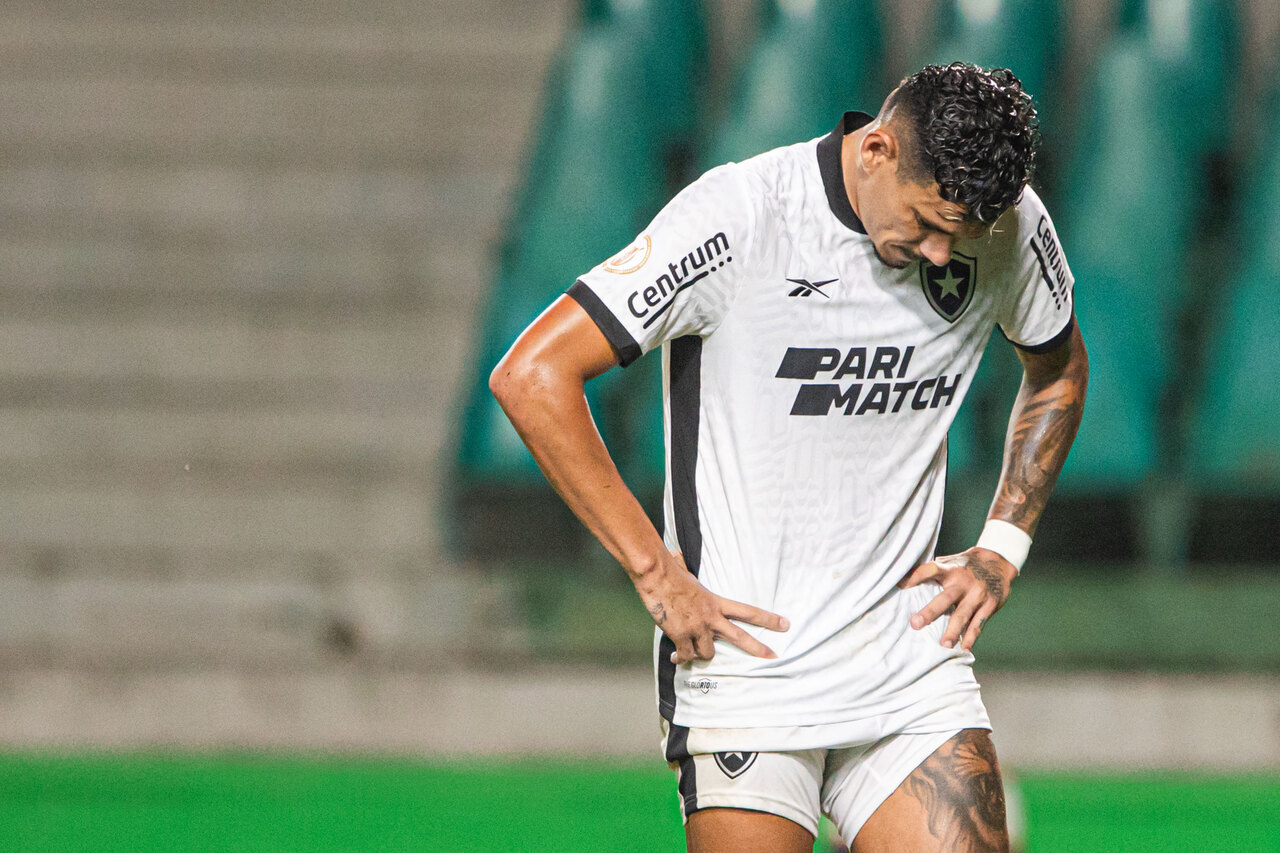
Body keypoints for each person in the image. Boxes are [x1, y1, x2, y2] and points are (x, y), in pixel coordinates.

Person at [490, 63, 1087, 852]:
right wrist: (656, 573)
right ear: (876, 151)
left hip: (906, 661)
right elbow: (533, 375)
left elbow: (1058, 367)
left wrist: (1004, 544)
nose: (945, 254)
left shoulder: (1005, 225)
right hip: (748, 669)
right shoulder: (740, 217)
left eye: (963, 234)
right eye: (928, 221)